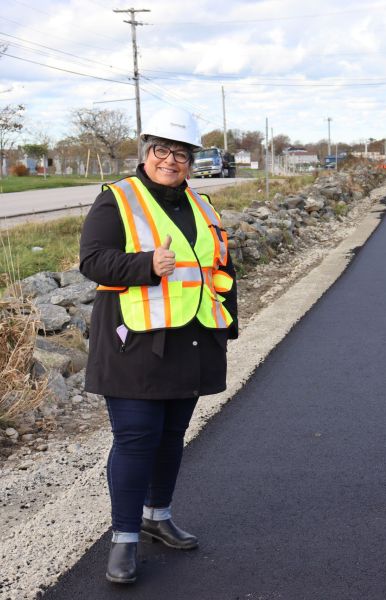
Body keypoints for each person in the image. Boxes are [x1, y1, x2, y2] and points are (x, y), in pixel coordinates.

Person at [80, 106, 238, 583]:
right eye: (162, 151)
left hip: (190, 339)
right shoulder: (118, 200)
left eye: (181, 153)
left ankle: (157, 515)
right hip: (134, 344)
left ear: (192, 158)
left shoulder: (201, 203)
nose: (171, 160)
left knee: (171, 438)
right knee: (135, 439)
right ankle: (124, 539)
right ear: (147, 153)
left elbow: (219, 270)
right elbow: (92, 261)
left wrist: (226, 327)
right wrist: (147, 264)